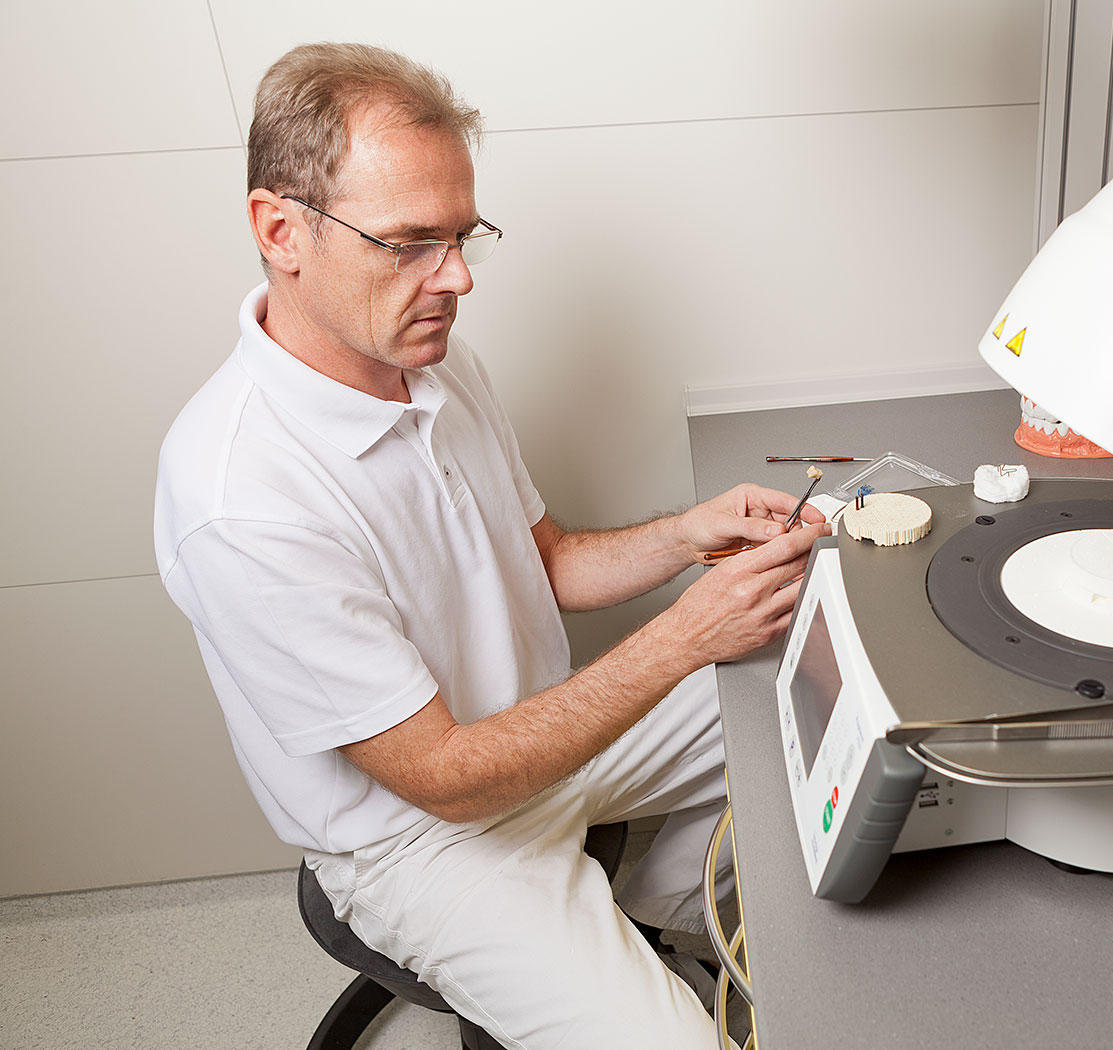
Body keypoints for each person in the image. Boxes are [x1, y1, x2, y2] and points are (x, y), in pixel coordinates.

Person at [154, 42, 827, 1048]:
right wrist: (687, 637)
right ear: (280, 230)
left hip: (549, 744)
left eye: (465, 236)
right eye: (409, 241)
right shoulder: (241, 494)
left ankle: (658, 903)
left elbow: (543, 561)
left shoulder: (431, 360)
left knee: (812, 687)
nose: (457, 277)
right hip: (426, 842)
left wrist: (689, 538)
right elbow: (445, 777)